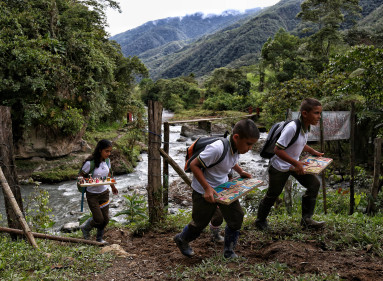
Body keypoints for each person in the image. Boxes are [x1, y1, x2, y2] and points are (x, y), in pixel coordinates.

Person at [174, 119, 260, 258]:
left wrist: (240, 171)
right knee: (199, 223)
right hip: (204, 191)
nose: (250, 148)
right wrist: (207, 188)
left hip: (223, 188)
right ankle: (182, 239)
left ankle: (229, 251)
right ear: (236, 137)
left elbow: (230, 161)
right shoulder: (217, 148)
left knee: (236, 216)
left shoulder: (237, 147)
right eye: (249, 144)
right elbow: (194, 165)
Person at [255, 98, 325, 231]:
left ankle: (307, 219)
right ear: (305, 113)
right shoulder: (292, 128)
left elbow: (299, 143)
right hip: (279, 167)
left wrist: (312, 151)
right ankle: (260, 221)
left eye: (320, 113)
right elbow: (278, 149)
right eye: (316, 113)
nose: (319, 117)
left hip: (294, 164)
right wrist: (296, 163)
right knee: (273, 194)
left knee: (314, 184)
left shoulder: (306, 126)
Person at [79, 139, 118, 243]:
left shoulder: (107, 161)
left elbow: (108, 174)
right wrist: (82, 180)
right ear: (100, 150)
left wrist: (113, 187)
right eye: (106, 151)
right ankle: (86, 228)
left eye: (110, 151)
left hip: (104, 193)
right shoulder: (89, 163)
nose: (108, 154)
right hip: (92, 195)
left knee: (105, 220)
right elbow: (81, 175)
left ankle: (99, 239)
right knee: (99, 219)